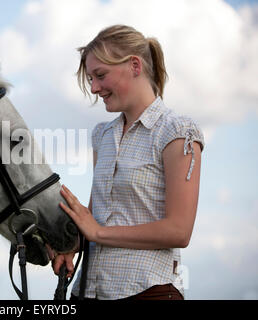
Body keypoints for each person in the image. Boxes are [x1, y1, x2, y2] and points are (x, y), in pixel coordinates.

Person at [53, 25, 205, 300]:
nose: (94, 88)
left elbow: (179, 230)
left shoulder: (177, 130)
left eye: (100, 75)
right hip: (87, 291)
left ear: (135, 65)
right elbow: (97, 216)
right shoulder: (102, 135)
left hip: (148, 292)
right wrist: (71, 244)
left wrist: (98, 231)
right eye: (91, 78)